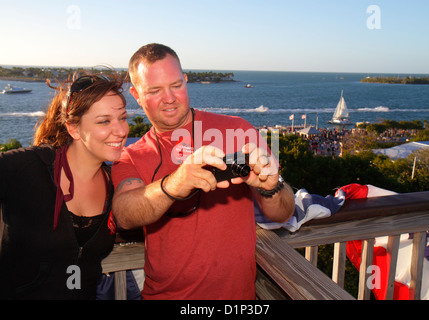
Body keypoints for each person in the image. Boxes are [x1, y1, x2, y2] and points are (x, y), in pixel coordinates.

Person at [111, 43, 295, 300]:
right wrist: (175, 184)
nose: (169, 98)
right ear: (136, 95)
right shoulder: (130, 155)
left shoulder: (238, 131)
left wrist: (271, 186)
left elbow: (283, 213)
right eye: (155, 90)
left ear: (186, 81)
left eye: (176, 85)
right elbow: (124, 214)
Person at [0, 71, 129, 299]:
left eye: (123, 117)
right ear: (74, 129)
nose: (121, 130)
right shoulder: (28, 167)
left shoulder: (114, 182)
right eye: (104, 121)